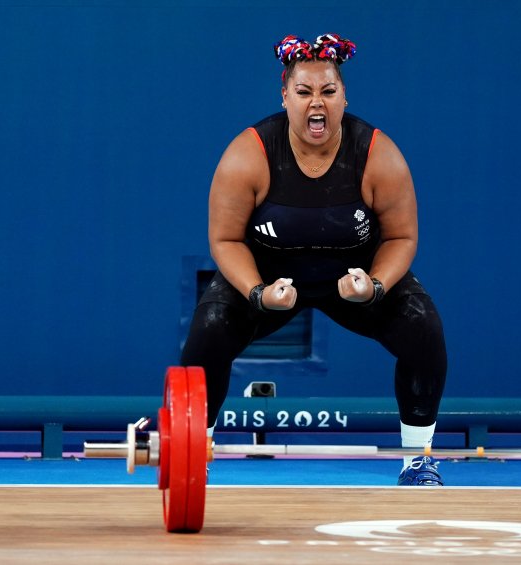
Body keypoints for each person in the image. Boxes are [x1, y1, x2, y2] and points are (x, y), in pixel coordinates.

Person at [180, 34, 448, 486]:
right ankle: (193, 454)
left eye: (327, 91)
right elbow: (226, 241)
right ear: (285, 96)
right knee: (208, 332)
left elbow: (401, 236)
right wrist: (257, 293)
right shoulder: (248, 155)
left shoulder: (379, 155)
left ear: (345, 96)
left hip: (354, 279)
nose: (315, 103)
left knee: (424, 328)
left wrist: (376, 285)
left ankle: (417, 459)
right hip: (267, 278)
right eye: (303, 92)